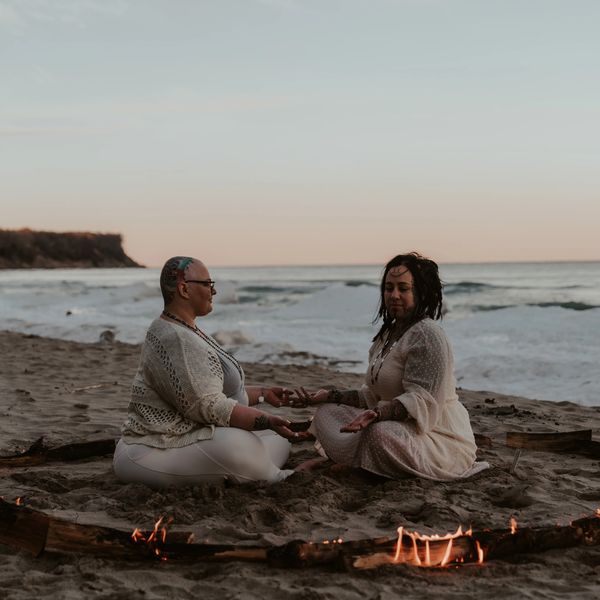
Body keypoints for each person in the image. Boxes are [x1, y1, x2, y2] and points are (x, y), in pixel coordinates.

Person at [293, 252, 488, 481]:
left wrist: (376, 414)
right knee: (326, 412)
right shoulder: (388, 333)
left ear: (420, 292)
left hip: (435, 436)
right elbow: (371, 396)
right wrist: (328, 396)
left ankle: (361, 466)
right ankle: (361, 462)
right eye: (388, 288)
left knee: (377, 434)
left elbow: (422, 401)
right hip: (391, 424)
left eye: (403, 288)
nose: (394, 295)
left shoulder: (427, 335)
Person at [113, 256, 306, 488]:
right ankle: (274, 475)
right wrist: (266, 420)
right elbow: (209, 406)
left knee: (276, 439)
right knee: (239, 442)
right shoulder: (175, 339)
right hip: (150, 449)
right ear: (184, 289)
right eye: (207, 283)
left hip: (188, 436)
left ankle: (251, 467)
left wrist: (264, 394)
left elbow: (217, 393)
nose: (213, 291)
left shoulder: (186, 328)